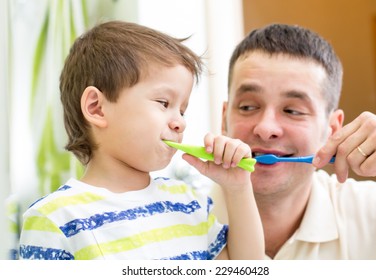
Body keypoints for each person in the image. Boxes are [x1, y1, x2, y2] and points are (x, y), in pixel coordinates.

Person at [18, 20, 264, 260]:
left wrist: (238, 188)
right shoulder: (53, 219)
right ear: (97, 108)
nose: (180, 122)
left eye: (182, 110)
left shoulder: (188, 203)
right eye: (163, 103)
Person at [218, 23, 376, 259]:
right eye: (248, 107)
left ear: (332, 129)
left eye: (293, 111)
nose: (266, 129)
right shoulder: (171, 215)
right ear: (224, 120)